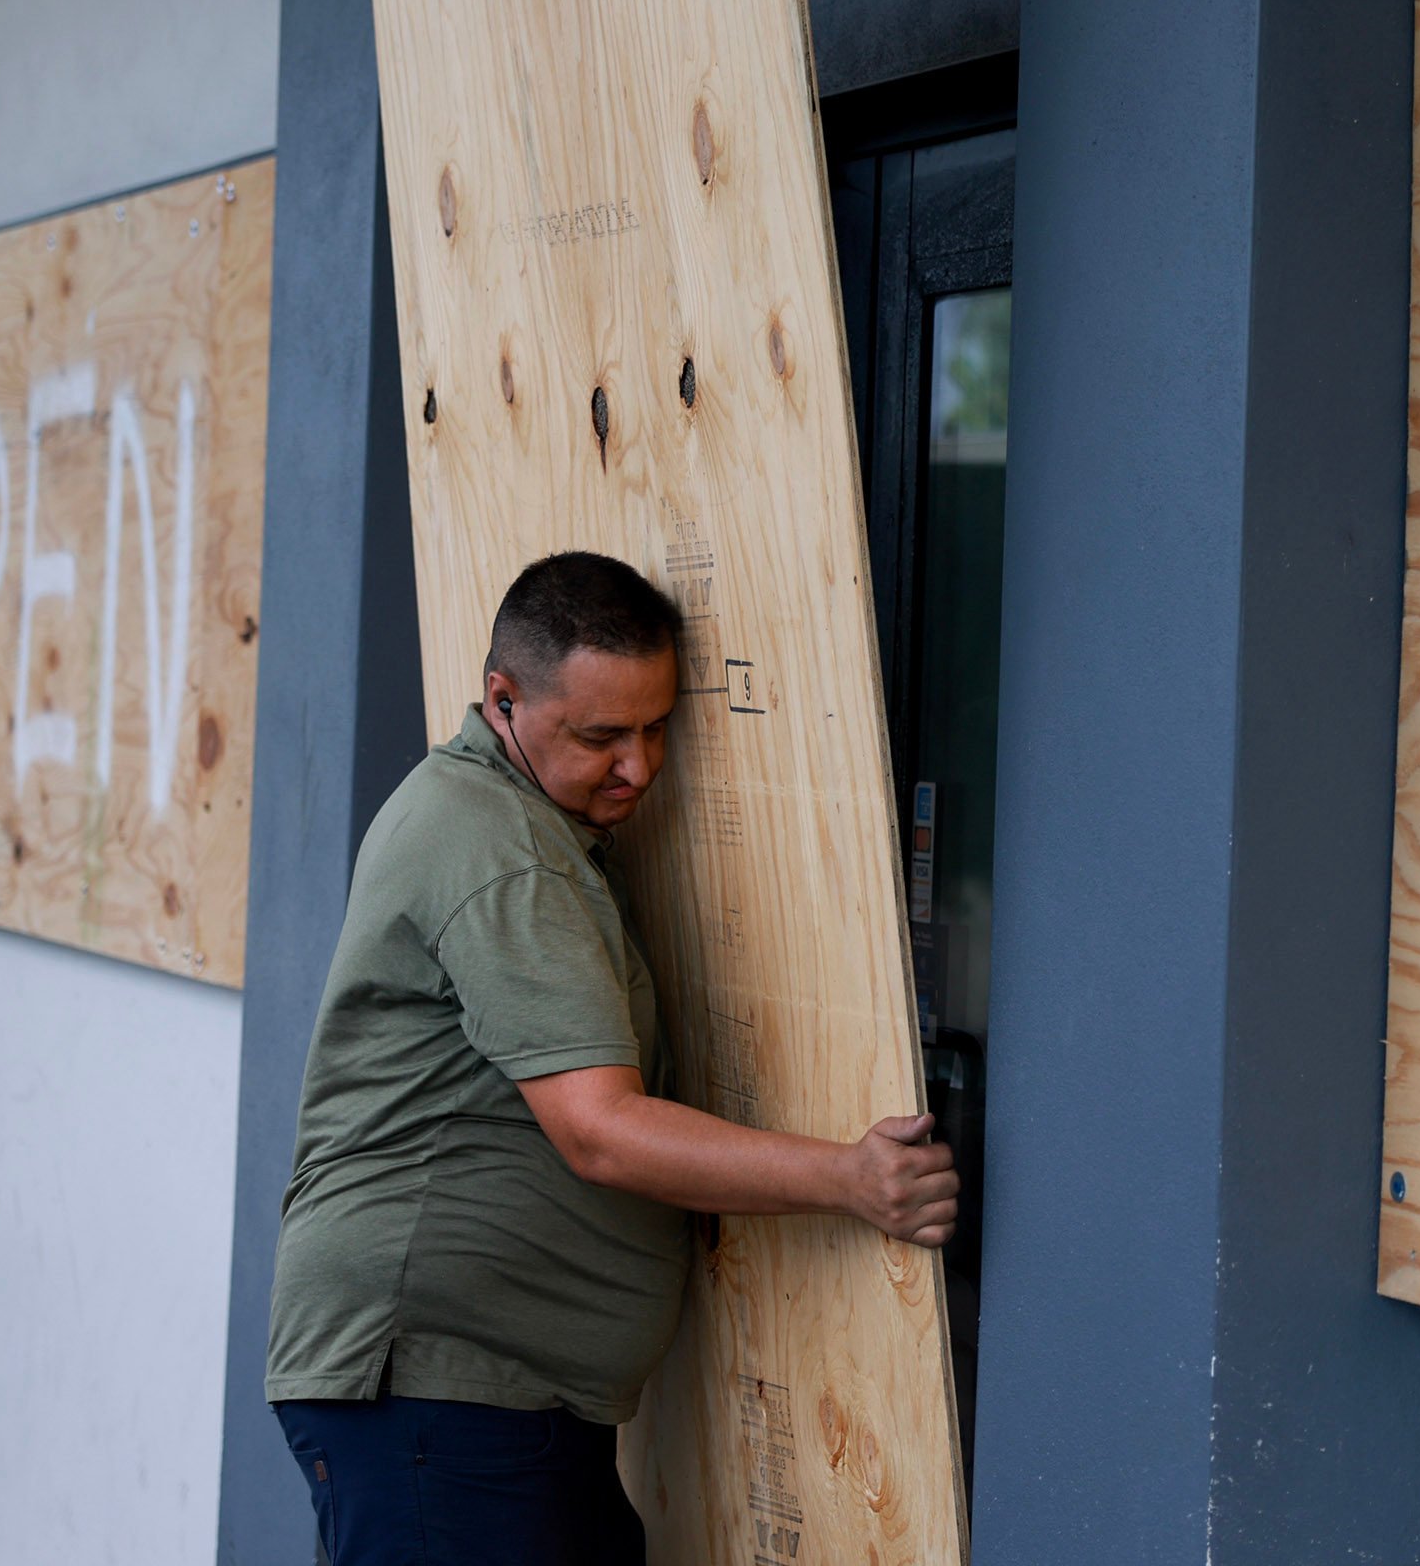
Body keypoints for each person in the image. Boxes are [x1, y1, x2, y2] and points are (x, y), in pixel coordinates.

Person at [266, 550, 957, 1563]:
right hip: (434, 1397)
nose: (638, 765)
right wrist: (855, 1176)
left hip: (494, 1403)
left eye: (655, 726)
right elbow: (599, 1129)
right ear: (503, 698)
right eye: (601, 735)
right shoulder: (496, 847)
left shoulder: (528, 824)